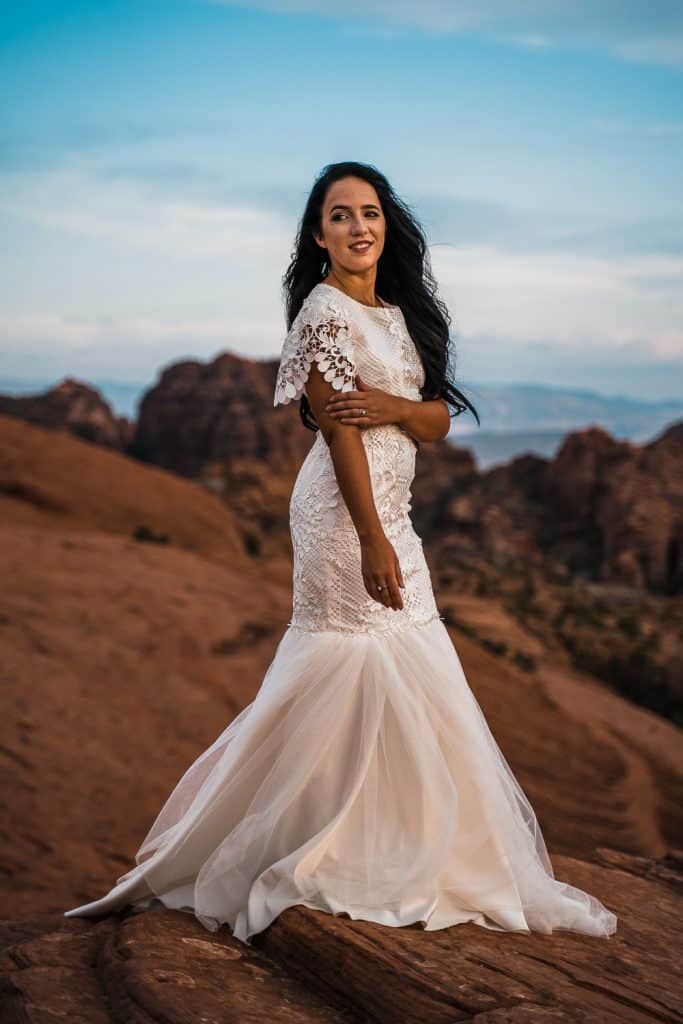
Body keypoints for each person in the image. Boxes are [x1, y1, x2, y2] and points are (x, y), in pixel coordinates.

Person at [64, 161, 617, 945]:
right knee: (348, 659)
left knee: (411, 656)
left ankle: (398, 842)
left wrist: (398, 407)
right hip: (341, 514)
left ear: (387, 225)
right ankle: (303, 845)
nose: (359, 227)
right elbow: (340, 430)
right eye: (339, 215)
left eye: (369, 213)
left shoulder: (397, 313)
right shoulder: (322, 315)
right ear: (317, 234)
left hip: (395, 510)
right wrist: (371, 539)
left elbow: (435, 423)